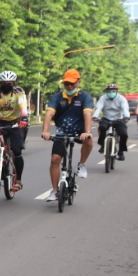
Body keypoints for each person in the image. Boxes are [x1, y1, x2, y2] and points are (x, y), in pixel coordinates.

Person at [41, 68, 94, 201]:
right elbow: (49, 113)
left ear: (78, 82)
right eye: (66, 83)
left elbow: (87, 114)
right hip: (62, 131)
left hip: (79, 130)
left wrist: (87, 132)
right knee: (55, 160)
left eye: (72, 83)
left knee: (89, 140)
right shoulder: (57, 97)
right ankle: (54, 191)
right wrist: (45, 131)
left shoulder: (85, 97)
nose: (69, 86)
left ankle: (81, 164)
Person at [93, 82, 131, 161]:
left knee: (124, 134)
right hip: (106, 118)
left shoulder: (121, 98)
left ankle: (121, 151)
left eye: (113, 91)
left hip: (118, 119)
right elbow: (99, 107)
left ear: (117, 91)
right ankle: (103, 145)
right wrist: (95, 116)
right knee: (102, 127)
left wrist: (126, 117)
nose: (111, 92)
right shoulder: (103, 98)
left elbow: (124, 108)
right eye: (109, 91)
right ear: (107, 91)